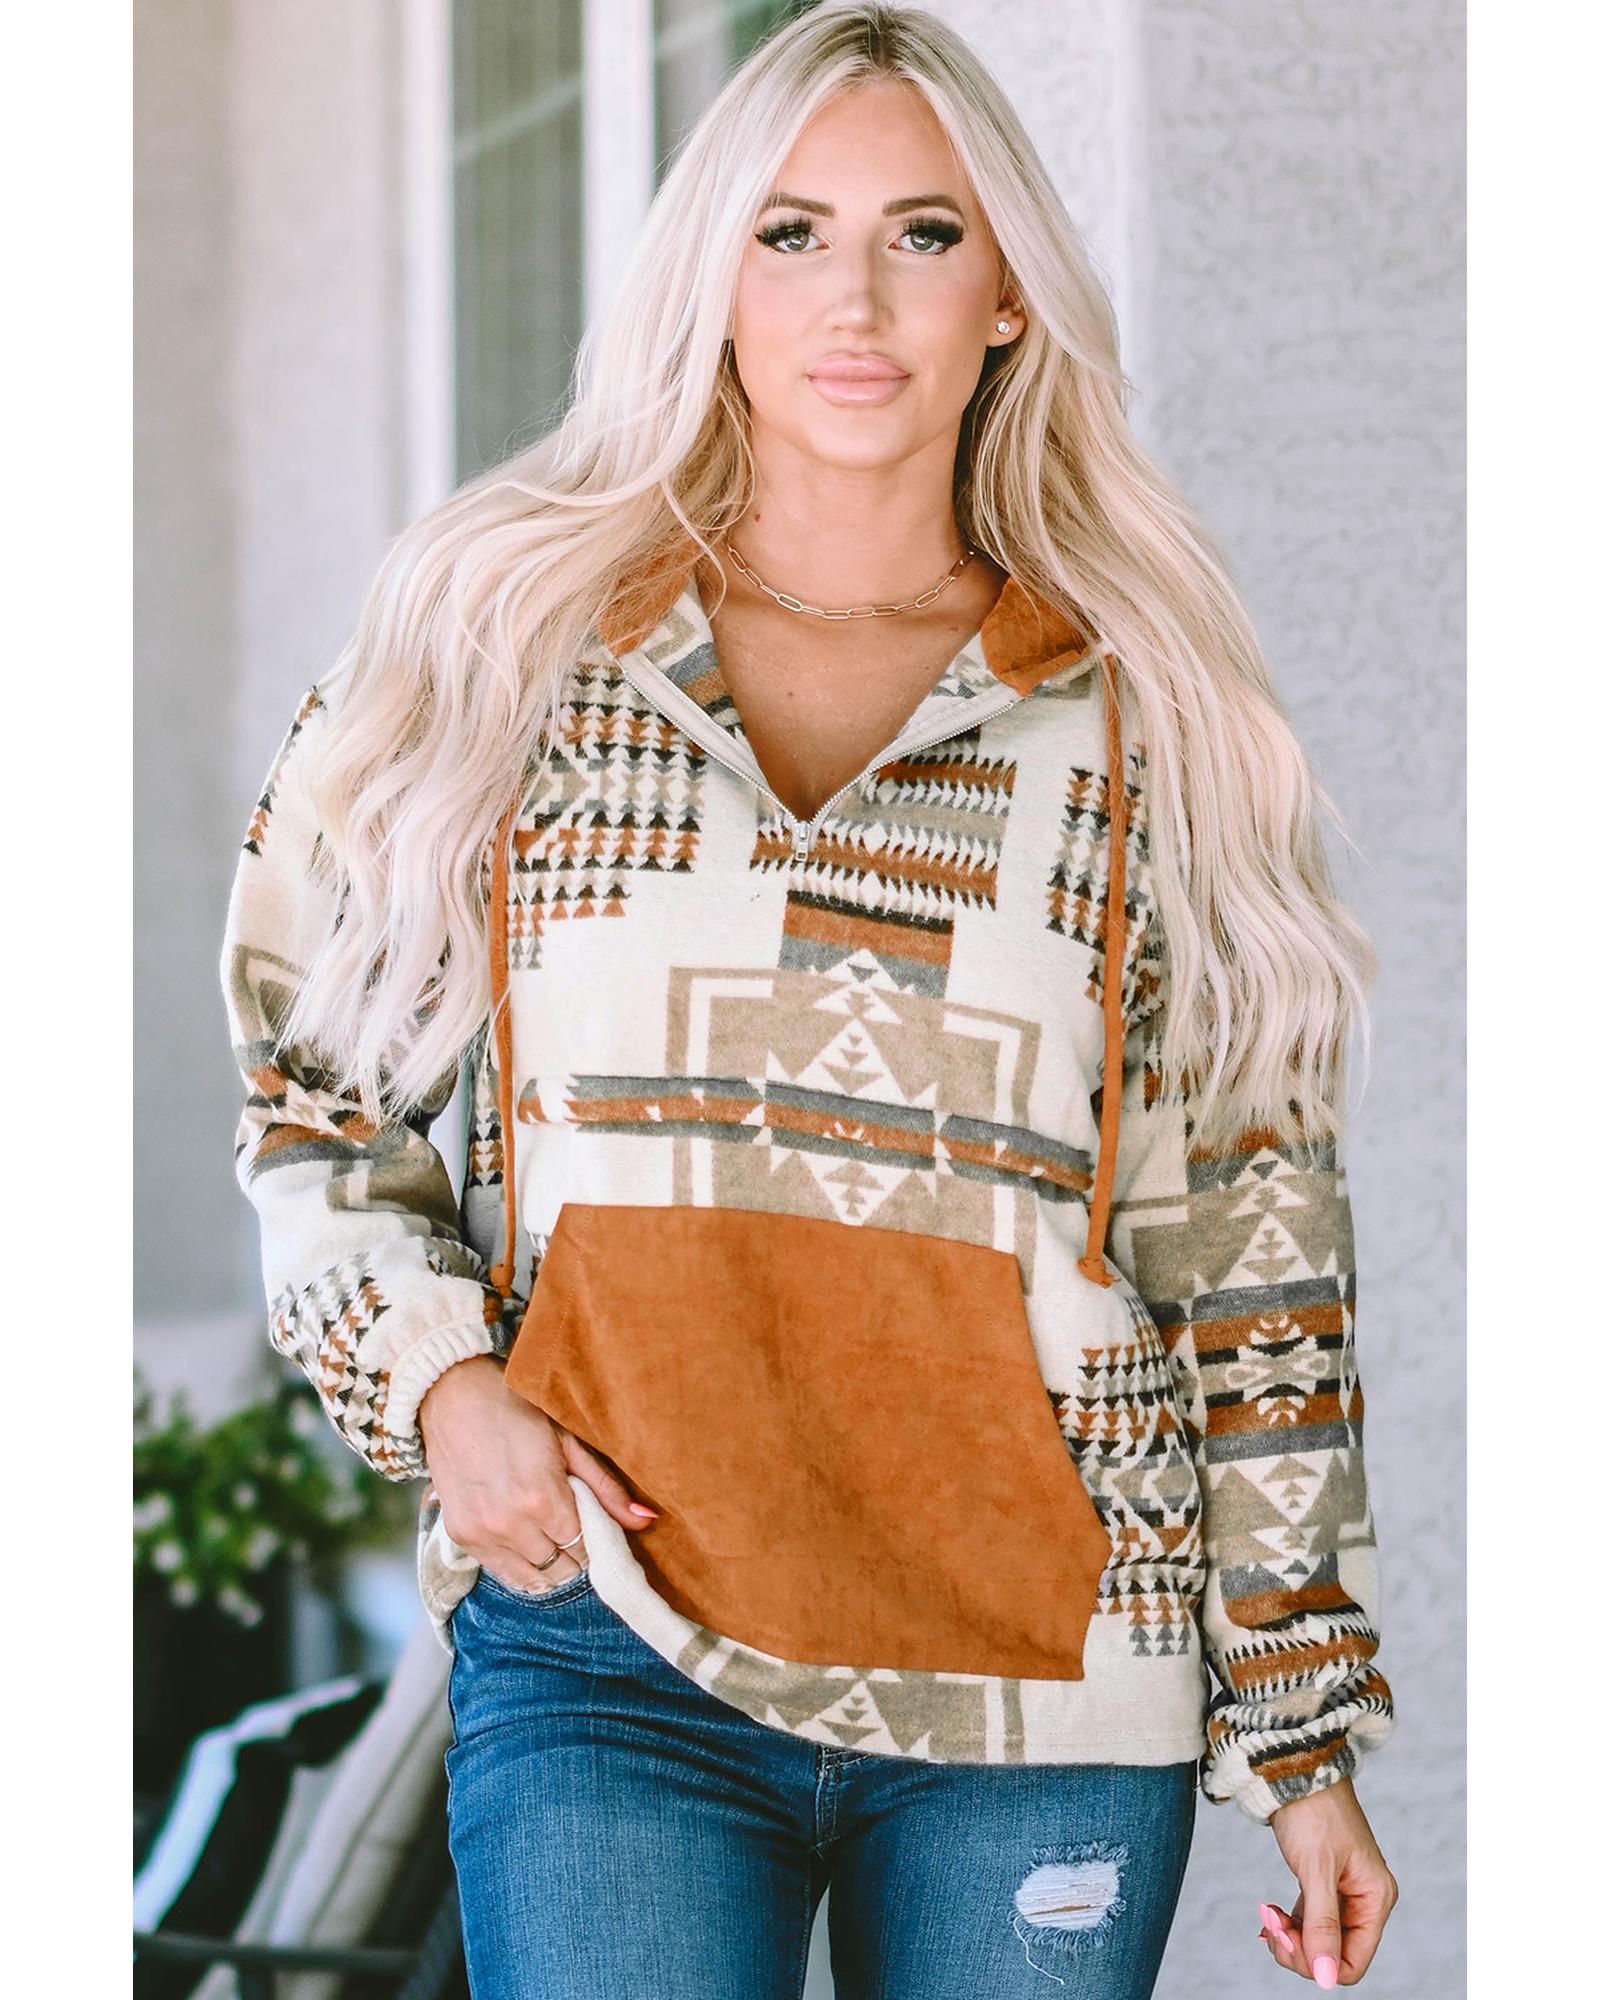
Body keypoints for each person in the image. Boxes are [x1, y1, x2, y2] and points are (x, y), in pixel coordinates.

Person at [218, 5, 1399, 1994]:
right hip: (611, 1642)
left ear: (1007, 293)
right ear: (710, 274)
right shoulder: (496, 647)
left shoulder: (1142, 718)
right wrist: (442, 1385)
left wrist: (1301, 1734)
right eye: (789, 233)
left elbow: (1249, 1236)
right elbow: (312, 1077)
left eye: (922, 234)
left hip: (1046, 1685)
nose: (854, 299)